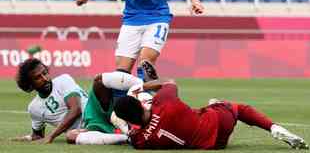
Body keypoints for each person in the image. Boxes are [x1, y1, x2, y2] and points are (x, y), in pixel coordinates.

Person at [75, 0, 204, 80]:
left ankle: (146, 98)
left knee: (145, 65)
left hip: (157, 18)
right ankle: (125, 100)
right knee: (121, 75)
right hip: (131, 20)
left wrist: (195, 1)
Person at [114, 80, 309, 150]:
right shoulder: (164, 102)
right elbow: (169, 82)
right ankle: (273, 127)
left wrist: (126, 125)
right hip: (218, 122)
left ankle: (214, 105)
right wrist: (142, 86)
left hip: (213, 145)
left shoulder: (140, 142)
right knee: (239, 109)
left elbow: (135, 133)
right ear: (139, 103)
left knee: (203, 110)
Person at [66, 60, 159, 145]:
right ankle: (127, 138)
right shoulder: (94, 124)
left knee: (99, 79)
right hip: (103, 124)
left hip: (123, 108)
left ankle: (146, 85)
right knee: (71, 136)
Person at [12, 58, 88, 143]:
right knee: (71, 137)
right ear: (30, 84)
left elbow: (76, 109)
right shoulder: (34, 108)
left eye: (45, 73)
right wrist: (26, 138)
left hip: (99, 120)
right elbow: (38, 136)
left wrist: (51, 136)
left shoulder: (63, 80)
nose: (45, 79)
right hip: (83, 133)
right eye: (38, 78)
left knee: (71, 137)